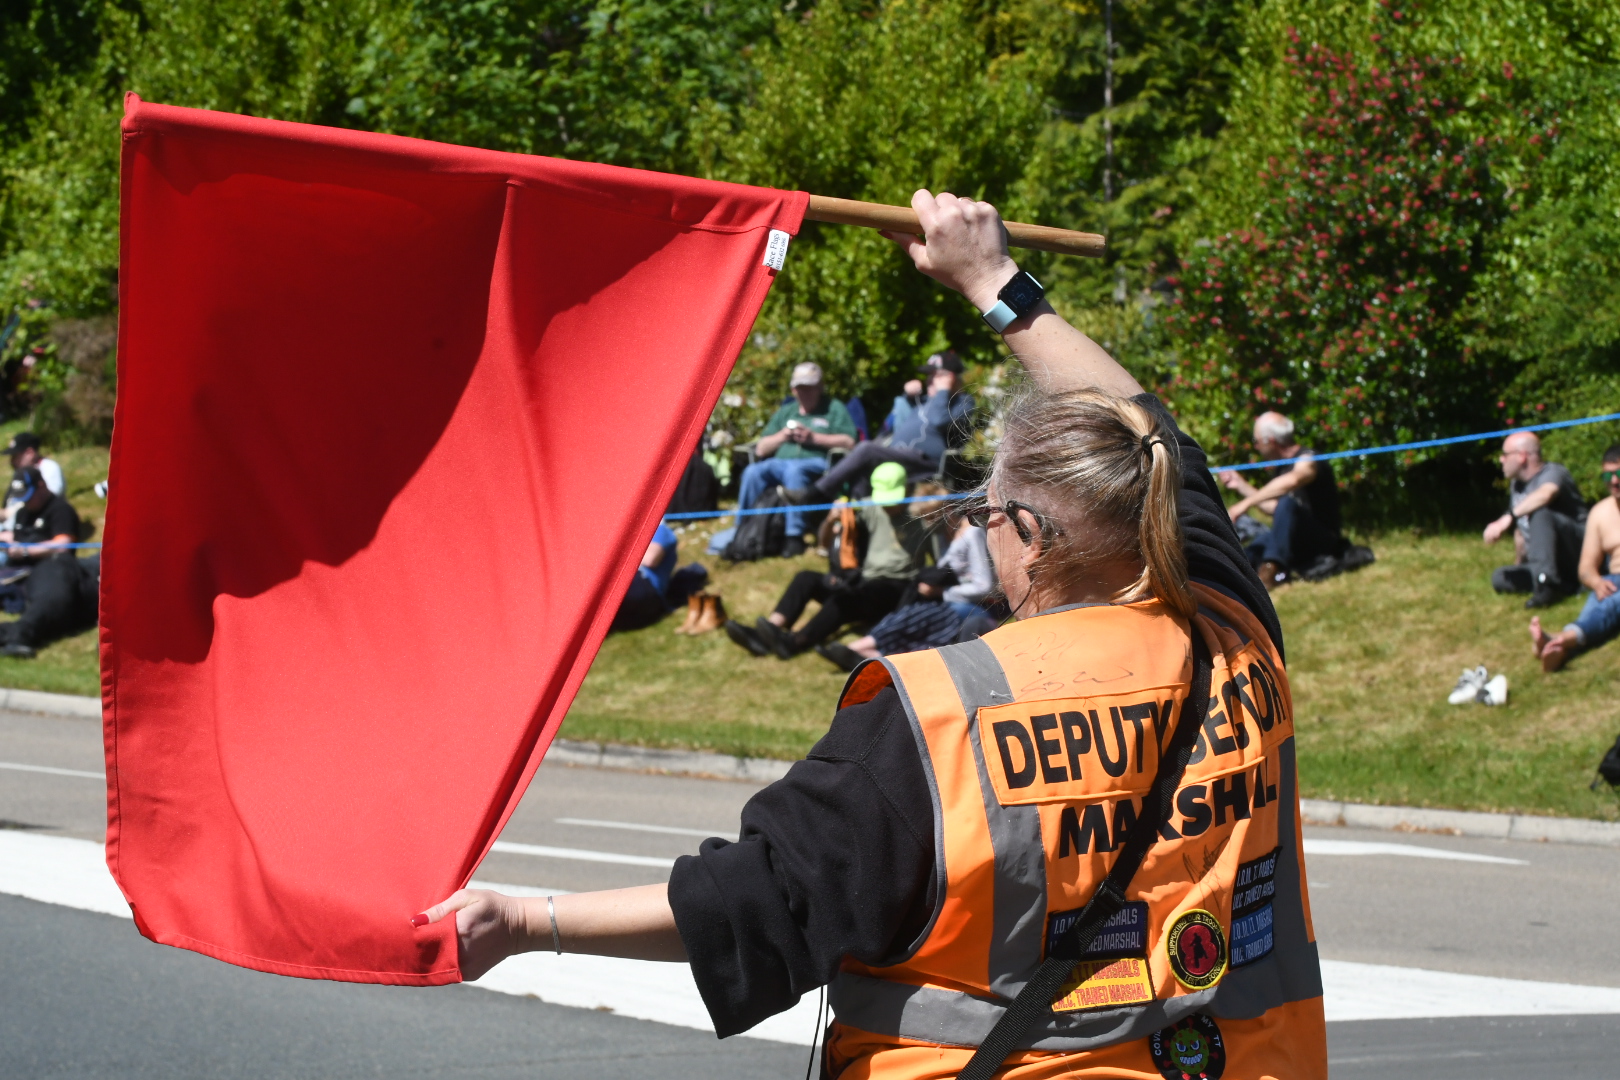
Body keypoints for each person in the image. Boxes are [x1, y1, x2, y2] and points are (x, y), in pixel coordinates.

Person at [416, 190, 1325, 1080]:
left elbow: (763, 898)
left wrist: (526, 922)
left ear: (1032, 535)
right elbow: (1159, 438)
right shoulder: (1232, 626)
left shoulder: (944, 714)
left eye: (984, 511)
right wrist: (995, 278)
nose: (978, 527)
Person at [723, 461, 934, 659]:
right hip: (865, 580)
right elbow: (824, 543)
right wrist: (831, 519)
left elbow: (941, 561)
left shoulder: (923, 516)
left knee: (843, 600)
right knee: (806, 578)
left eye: (893, 500)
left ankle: (795, 642)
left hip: (896, 587)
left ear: (907, 489)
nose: (888, 506)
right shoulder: (870, 507)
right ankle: (769, 631)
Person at [816, 511, 1000, 672]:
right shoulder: (942, 534)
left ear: (947, 510)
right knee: (907, 615)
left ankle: (861, 651)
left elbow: (984, 586)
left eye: (930, 517)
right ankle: (869, 653)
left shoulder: (972, 533)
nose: (927, 524)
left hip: (969, 607)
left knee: (917, 619)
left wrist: (942, 592)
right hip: (947, 602)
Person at [787, 350, 974, 503]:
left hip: (927, 464)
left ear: (951, 378)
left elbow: (938, 421)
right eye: (929, 376)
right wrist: (907, 396)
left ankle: (815, 494)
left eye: (936, 376)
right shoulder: (922, 401)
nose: (929, 381)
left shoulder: (963, 403)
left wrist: (943, 391)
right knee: (861, 469)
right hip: (900, 455)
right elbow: (898, 418)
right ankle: (857, 529)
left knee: (866, 449)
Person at [733, 362, 857, 556]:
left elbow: (849, 441)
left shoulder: (834, 408)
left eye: (810, 387)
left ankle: (794, 536)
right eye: (801, 388)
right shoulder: (786, 411)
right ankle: (743, 527)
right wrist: (783, 435)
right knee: (752, 472)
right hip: (779, 462)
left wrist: (814, 438)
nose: (805, 392)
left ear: (820, 387)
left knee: (794, 472)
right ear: (793, 389)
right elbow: (761, 448)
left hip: (816, 463)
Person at [1218, 412, 1348, 589]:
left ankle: (1269, 571)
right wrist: (1241, 485)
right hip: (1296, 540)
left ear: (1269, 441)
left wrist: (1244, 505)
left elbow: (1294, 480)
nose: (1256, 447)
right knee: (1256, 547)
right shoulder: (1281, 468)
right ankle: (1228, 578)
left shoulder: (1308, 458)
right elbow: (1277, 509)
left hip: (1323, 542)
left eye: (1256, 441)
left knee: (1286, 504)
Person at [1531, 445, 1620, 671]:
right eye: (1607, 476)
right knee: (1604, 610)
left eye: (1619, 474)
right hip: (1612, 583)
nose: (1614, 482)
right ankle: (1561, 649)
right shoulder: (1600, 514)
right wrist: (1596, 582)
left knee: (1608, 609)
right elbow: (1586, 568)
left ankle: (1558, 640)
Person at [1484, 430, 1587, 608]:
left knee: (1540, 513)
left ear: (1522, 456)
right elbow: (1522, 532)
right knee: (1500, 578)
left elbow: (1546, 494)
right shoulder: (1517, 484)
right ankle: (1565, 585)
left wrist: (1508, 516)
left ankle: (1547, 586)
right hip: (1550, 561)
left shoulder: (1554, 472)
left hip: (1580, 553)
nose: (1501, 459)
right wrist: (1519, 564)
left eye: (1505, 455)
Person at [0, 468, 93, 658]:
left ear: (41, 486)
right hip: (16, 571)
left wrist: (25, 550)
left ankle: (19, 634)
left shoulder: (60, 510)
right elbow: (17, 535)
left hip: (50, 569)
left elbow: (64, 545)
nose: (26, 501)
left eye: (29, 496)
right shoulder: (24, 512)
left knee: (53, 601)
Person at [5, 433, 65, 500]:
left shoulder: (49, 468)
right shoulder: (21, 473)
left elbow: (49, 498)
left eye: (15, 456)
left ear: (30, 453)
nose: (12, 461)